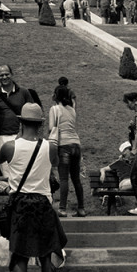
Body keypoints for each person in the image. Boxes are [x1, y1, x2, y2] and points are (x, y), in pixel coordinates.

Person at [0, 102, 63, 272]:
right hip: (43, 204)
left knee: (20, 257)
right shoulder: (50, 147)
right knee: (47, 257)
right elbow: (53, 164)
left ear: (21, 122)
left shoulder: (10, 147)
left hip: (21, 205)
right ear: (40, 124)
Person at [48, 78, 84, 217]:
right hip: (76, 144)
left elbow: (52, 127)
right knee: (76, 179)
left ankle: (62, 208)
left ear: (56, 95)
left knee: (64, 178)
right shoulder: (72, 110)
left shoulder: (55, 109)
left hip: (63, 145)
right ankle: (81, 208)